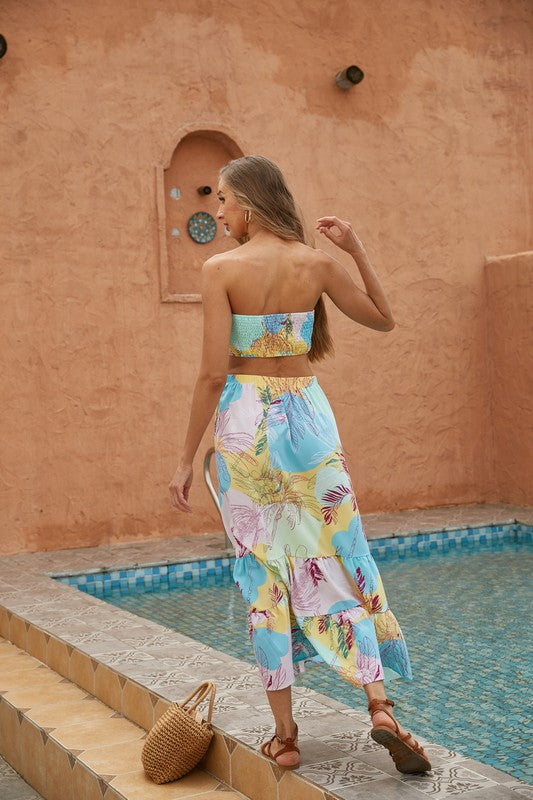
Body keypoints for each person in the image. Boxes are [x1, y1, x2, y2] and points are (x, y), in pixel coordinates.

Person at [169, 155, 431, 775]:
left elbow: (212, 374)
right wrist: (356, 249)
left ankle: (285, 737)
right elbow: (383, 318)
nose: (220, 212)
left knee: (265, 571)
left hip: (246, 424)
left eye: (225, 202)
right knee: (340, 551)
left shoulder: (221, 268)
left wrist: (184, 460)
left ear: (250, 205)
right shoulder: (315, 265)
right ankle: (381, 706)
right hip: (309, 418)